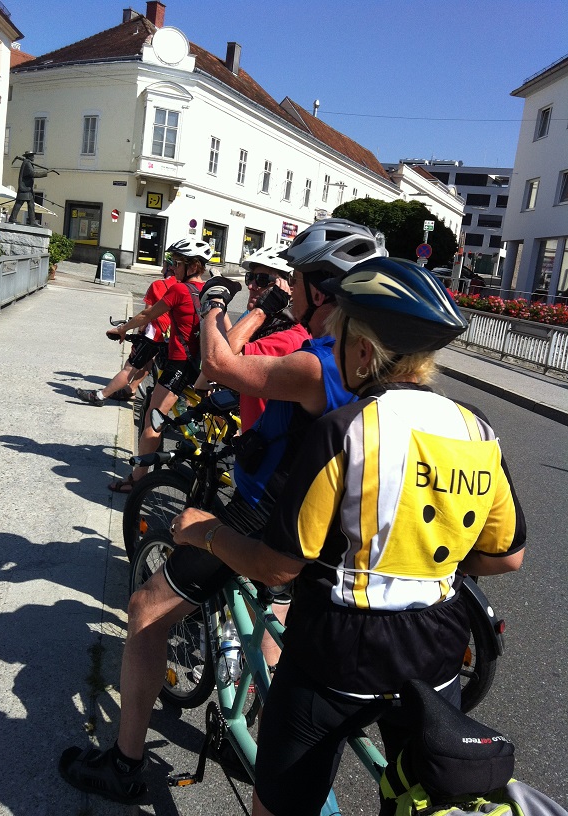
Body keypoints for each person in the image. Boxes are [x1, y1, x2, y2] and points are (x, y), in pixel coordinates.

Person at [172, 256, 527, 816]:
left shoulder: (348, 430)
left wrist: (206, 531)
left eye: (340, 339)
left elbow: (278, 567)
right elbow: (507, 557)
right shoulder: (476, 428)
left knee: (282, 805)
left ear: (363, 351)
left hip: (339, 652)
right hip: (435, 652)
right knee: (417, 796)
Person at [58, 219, 387, 803]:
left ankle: (127, 761)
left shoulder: (319, 362)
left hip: (264, 512)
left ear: (320, 289)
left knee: (145, 607)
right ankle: (250, 735)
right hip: (330, 524)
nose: (280, 286)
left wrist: (215, 305)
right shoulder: (369, 364)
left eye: (293, 279)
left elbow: (219, 367)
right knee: (275, 615)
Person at [105, 237, 212, 492]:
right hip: (200, 364)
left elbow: (147, 314)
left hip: (180, 365)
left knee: (154, 419)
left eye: (177, 263)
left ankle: (138, 479)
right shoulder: (208, 289)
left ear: (194, 266)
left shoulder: (179, 290)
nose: (172, 268)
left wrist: (122, 328)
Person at [195, 243, 311, 430]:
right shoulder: (256, 318)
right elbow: (204, 379)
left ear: (287, 286)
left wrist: (215, 304)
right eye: (250, 277)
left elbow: (214, 364)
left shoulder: (288, 333)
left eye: (262, 280)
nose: (251, 286)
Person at [75, 261, 176, 406]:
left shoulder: (157, 285)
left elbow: (147, 314)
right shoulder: (182, 286)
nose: (162, 268)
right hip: (171, 336)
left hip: (154, 334)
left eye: (164, 265)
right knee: (149, 363)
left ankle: (100, 396)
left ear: (169, 268)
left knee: (130, 367)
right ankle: (131, 390)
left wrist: (136, 333)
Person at [8, 151, 58, 225]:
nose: (34, 157)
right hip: (25, 188)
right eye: (32, 155)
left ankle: (32, 221)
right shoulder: (27, 164)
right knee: (19, 203)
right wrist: (46, 173)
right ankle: (13, 218)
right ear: (29, 156)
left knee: (31, 204)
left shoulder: (28, 163)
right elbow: (33, 174)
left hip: (28, 188)